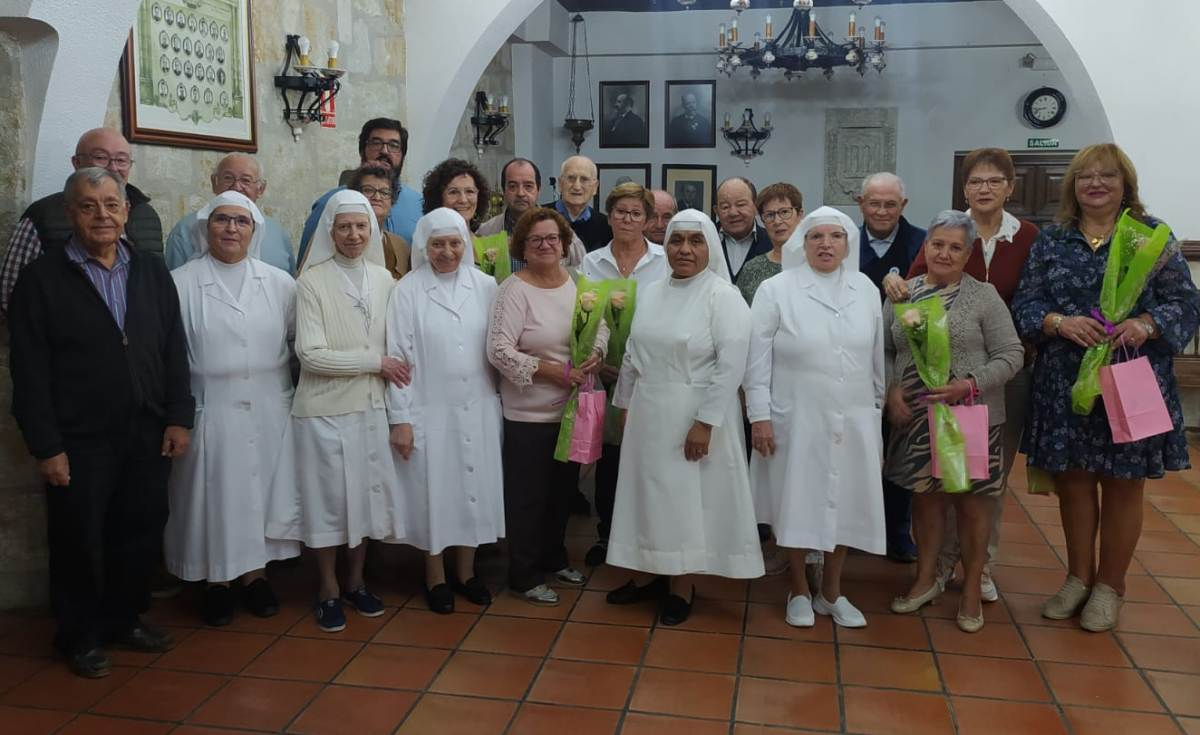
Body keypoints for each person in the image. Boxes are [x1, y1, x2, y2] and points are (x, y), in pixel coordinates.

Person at [8, 168, 193, 678]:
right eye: (88, 206)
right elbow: (29, 371)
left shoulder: (151, 272)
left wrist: (179, 417)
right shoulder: (42, 280)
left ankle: (123, 619)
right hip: (79, 439)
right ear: (70, 215)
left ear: (126, 212)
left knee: (137, 534)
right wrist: (47, 446)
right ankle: (78, 635)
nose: (102, 216)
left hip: (146, 431)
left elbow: (174, 350)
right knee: (78, 541)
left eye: (111, 204)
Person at [1012, 143, 1200, 632]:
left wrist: (1147, 324)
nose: (1095, 184)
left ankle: (1109, 586)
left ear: (1125, 186)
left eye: (1107, 177)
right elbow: (1026, 304)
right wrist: (1057, 321)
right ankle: (1077, 577)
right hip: (1066, 380)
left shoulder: (1151, 238)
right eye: (1085, 177)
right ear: (1073, 187)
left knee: (1122, 485)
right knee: (1073, 483)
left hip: (1131, 375)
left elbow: (1185, 303)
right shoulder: (1052, 241)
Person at [883, 148, 1040, 604]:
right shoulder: (906, 296)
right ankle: (927, 576)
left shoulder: (984, 297)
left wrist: (969, 385)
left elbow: (1012, 354)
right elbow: (888, 348)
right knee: (927, 500)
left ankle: (972, 584)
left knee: (972, 503)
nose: (945, 252)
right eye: (937, 244)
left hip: (970, 416)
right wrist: (894, 388)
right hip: (919, 416)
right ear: (924, 247)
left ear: (968, 254)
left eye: (955, 247)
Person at [606, 209, 764, 626]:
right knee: (647, 497)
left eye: (695, 241)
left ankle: (681, 584)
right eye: (677, 241)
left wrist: (705, 422)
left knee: (683, 502)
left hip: (694, 414)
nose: (684, 250)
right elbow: (633, 354)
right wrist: (623, 404)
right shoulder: (653, 291)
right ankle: (648, 573)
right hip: (648, 412)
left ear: (709, 245)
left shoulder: (722, 295)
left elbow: (732, 367)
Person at [265, 190, 409, 633]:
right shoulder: (311, 282)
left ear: (373, 230)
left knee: (363, 502)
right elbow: (311, 355)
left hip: (370, 409)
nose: (353, 235)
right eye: (344, 227)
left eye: (361, 226)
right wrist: (374, 363)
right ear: (331, 230)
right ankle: (327, 587)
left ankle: (356, 581)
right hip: (322, 412)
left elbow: (397, 345)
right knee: (326, 504)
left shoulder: (386, 281)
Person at [165, 191, 299, 626]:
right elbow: (168, 354)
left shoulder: (279, 283)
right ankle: (216, 583)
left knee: (259, 496)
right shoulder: (181, 282)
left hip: (268, 407)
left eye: (241, 222)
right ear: (206, 227)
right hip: (210, 409)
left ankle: (255, 578)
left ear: (253, 230)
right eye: (222, 220)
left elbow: (301, 342)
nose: (231, 229)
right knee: (213, 497)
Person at [746, 206, 884, 629]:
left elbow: (876, 361)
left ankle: (832, 592)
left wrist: (876, 413)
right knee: (796, 500)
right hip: (795, 416)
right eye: (816, 237)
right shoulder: (776, 290)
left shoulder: (865, 289)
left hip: (855, 416)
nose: (826, 244)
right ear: (802, 244)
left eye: (835, 236)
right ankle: (799, 589)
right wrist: (759, 416)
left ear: (847, 244)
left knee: (843, 503)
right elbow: (756, 361)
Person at [486, 207, 607, 606]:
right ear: (523, 245)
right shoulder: (512, 289)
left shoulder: (576, 281)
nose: (545, 245)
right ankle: (523, 574)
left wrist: (596, 352)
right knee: (528, 498)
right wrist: (549, 371)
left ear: (564, 243)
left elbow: (600, 325)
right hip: (528, 416)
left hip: (570, 411)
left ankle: (555, 558)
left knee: (561, 493)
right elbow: (498, 351)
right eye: (535, 239)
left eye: (552, 238)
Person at [386, 208, 504, 614]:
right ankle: (435, 573)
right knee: (433, 491)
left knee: (473, 489)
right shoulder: (407, 291)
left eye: (455, 243)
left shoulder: (487, 285)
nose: (447, 251)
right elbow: (397, 358)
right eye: (438, 244)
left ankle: (467, 572)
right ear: (424, 246)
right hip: (428, 409)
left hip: (479, 407)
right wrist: (400, 418)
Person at [577, 183, 668, 568]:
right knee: (608, 460)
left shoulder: (664, 261)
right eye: (620, 212)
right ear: (609, 216)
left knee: (648, 459)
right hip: (603, 373)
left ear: (648, 220)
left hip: (653, 376)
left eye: (636, 213)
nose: (627, 219)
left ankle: (647, 536)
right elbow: (583, 315)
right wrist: (600, 360)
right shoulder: (591, 262)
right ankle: (607, 534)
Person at [0, 128, 164, 315]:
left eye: (121, 160)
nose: (112, 168)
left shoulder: (146, 216)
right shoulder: (42, 216)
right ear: (77, 163)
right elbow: (11, 297)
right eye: (101, 157)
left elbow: (160, 295)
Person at [858, 172, 927, 563]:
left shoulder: (921, 244)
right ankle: (856, 527)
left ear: (903, 205)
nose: (882, 211)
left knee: (899, 450)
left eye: (890, 204)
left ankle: (898, 531)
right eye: (874, 203)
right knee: (859, 449)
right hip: (850, 363)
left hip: (904, 364)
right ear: (860, 203)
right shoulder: (843, 243)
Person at [297, 118, 423, 263]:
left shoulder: (418, 204)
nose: (384, 151)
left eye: (394, 145)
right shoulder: (330, 203)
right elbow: (308, 261)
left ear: (402, 155)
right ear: (362, 149)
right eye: (376, 143)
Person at [164, 153, 295, 274]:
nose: (237, 187)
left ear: (261, 189)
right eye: (228, 178)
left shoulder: (278, 234)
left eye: (246, 180)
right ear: (214, 183)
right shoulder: (184, 230)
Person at [477, 158, 585, 273]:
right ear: (504, 190)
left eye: (528, 186)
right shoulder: (486, 233)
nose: (521, 193)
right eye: (513, 186)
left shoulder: (562, 232)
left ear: (539, 190)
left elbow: (582, 276)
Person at [737, 182, 805, 305]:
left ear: (800, 215)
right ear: (762, 221)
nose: (777, 221)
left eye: (784, 212)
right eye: (769, 215)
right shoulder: (751, 269)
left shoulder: (816, 263)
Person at [344, 164, 410, 279]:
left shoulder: (400, 246)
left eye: (384, 192)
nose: (377, 197)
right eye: (368, 190)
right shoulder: (336, 239)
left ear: (392, 201)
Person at [550, 156, 613, 253]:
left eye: (584, 179)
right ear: (560, 184)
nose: (577, 186)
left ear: (595, 187)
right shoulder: (538, 216)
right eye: (571, 178)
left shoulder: (606, 226)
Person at [715, 177, 772, 283]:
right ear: (716, 211)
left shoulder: (772, 242)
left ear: (755, 207)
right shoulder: (704, 241)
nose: (733, 213)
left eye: (740, 205)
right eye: (725, 207)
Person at [420, 158, 491, 233]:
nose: (463, 200)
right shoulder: (426, 242)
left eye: (469, 191)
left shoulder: (494, 243)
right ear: (438, 198)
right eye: (453, 192)